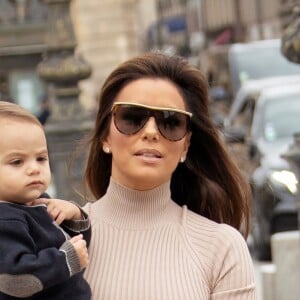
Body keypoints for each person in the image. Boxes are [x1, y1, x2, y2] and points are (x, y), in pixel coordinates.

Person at [77, 52, 257, 299]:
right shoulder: (61, 238)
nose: (151, 132)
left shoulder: (221, 248)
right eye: (131, 118)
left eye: (171, 122)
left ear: (186, 144)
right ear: (105, 136)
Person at [0, 101, 91, 300]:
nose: (34, 169)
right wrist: (67, 259)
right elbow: (16, 281)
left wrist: (74, 215)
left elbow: (80, 248)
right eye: (17, 161)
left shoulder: (38, 203)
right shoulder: (5, 220)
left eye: (41, 158)